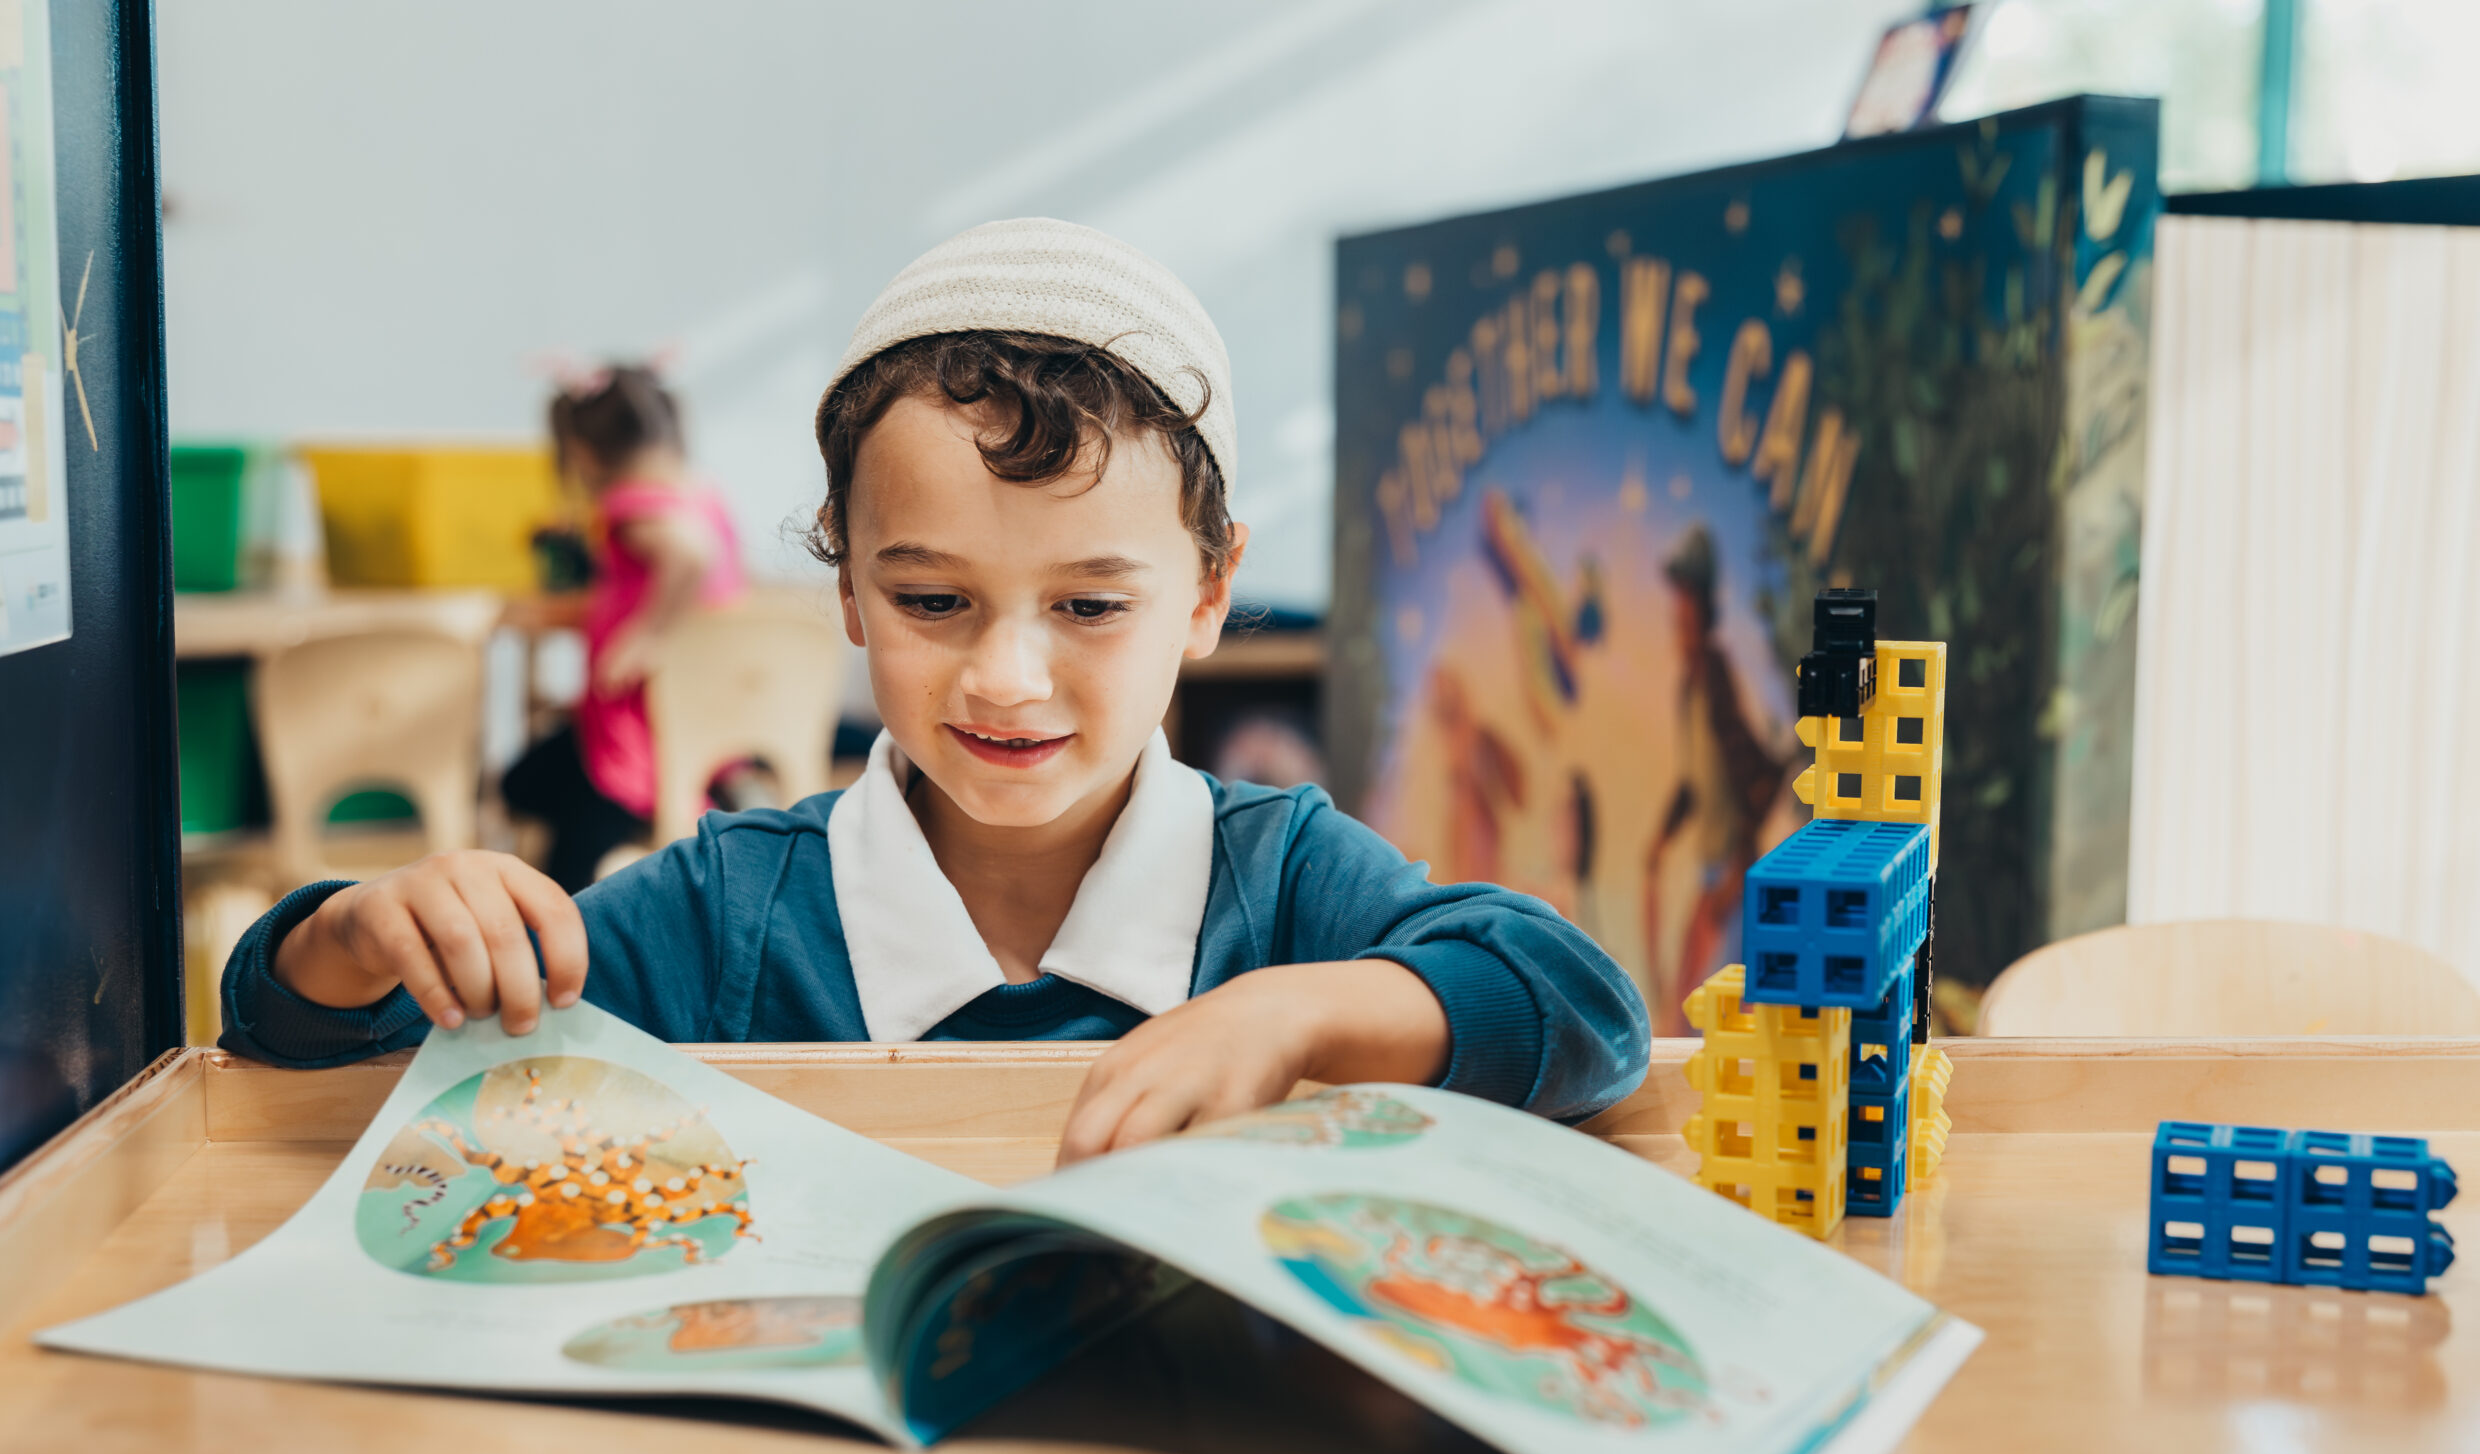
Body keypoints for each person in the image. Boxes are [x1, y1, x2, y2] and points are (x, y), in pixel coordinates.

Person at [218, 219, 1650, 1160]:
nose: (1007, 676)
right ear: (847, 590)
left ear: (1209, 591)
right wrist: (354, 932)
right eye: (930, 600)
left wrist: (1301, 1013)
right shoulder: (729, 913)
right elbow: (321, 1055)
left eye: (1091, 604)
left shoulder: (1277, 882)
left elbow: (1584, 1008)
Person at [501, 365, 746, 893]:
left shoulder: (631, 506)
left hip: (642, 730)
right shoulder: (704, 494)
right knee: (541, 779)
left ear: (582, 454)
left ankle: (556, 919)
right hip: (707, 713)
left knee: (523, 785)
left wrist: (648, 634)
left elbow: (691, 553)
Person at [1641, 525, 1787, 1009]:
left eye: (1686, 600)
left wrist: (1737, 869)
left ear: (1703, 609)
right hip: (1713, 869)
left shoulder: (1718, 679)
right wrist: (1662, 837)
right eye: (1675, 601)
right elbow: (1694, 780)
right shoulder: (1691, 686)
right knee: (1697, 998)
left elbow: (1759, 778)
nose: (1676, 614)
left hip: (1733, 872)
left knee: (1714, 1001)